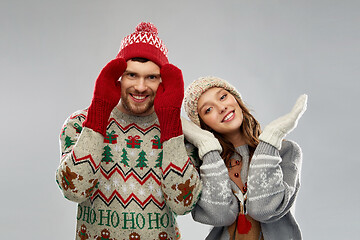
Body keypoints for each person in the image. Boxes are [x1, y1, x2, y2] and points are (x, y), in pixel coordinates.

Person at [55, 22, 202, 240]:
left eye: (151, 77)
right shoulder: (79, 123)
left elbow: (183, 204)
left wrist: (171, 125)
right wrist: (98, 113)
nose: (141, 86)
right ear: (118, 77)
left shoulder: (184, 133)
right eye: (132, 75)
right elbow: (74, 189)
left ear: (163, 80)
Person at [182, 76, 307, 240]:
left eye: (223, 96)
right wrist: (207, 146)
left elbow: (264, 209)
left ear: (236, 99)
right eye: (208, 110)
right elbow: (219, 215)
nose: (221, 107)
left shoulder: (285, 151)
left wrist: (271, 138)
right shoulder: (206, 164)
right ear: (203, 125)